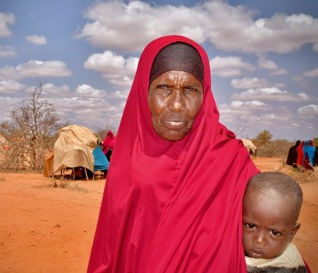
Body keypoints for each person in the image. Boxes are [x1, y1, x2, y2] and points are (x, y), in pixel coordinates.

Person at [87, 35, 259, 273]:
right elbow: (110, 250)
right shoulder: (126, 161)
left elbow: (269, 235)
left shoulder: (231, 160)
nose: (177, 104)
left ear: (205, 95)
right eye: (164, 88)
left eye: (190, 89)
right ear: (143, 92)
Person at [243, 172, 310, 273]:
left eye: (274, 233)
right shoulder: (232, 252)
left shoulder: (292, 266)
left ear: (292, 233)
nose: (259, 240)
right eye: (251, 226)